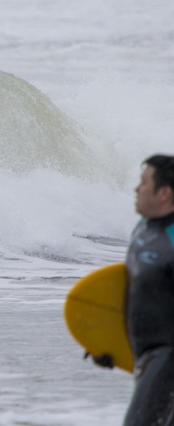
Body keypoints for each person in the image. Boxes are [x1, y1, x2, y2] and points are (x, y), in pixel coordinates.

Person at [120, 154, 174, 426]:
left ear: (164, 193)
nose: (136, 189)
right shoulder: (142, 229)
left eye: (143, 183)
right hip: (146, 357)